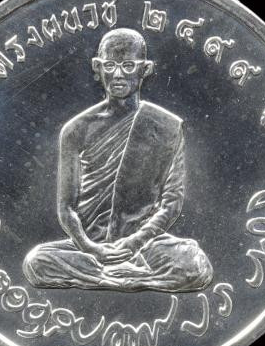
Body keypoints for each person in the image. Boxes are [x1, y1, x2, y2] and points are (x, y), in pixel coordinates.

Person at [23, 28, 213, 292]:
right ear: (97, 67)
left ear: (145, 69)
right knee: (35, 262)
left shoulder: (166, 126)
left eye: (128, 66)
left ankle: (118, 276)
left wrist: (134, 243)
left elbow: (172, 203)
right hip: (90, 246)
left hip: (144, 244)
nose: (119, 74)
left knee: (195, 264)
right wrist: (91, 248)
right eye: (110, 65)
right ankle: (123, 277)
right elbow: (66, 208)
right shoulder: (76, 129)